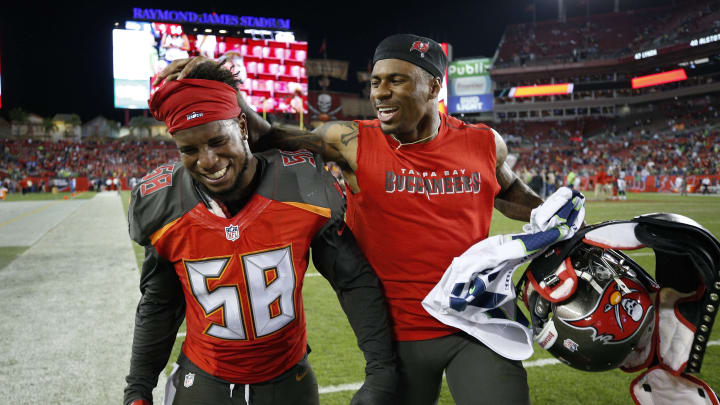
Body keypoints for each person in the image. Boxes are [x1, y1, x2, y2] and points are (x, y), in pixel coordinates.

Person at [158, 34, 543, 405]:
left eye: (396, 80)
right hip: (398, 335)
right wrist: (219, 84)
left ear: (433, 87)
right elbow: (267, 136)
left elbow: (509, 192)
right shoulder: (352, 140)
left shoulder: (483, 141)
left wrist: (552, 214)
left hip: (476, 322)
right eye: (376, 82)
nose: (380, 92)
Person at [124, 62, 396, 405]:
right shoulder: (165, 206)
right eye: (189, 150)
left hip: (287, 380)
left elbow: (352, 280)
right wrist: (138, 388)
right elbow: (160, 305)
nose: (207, 161)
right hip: (204, 380)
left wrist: (380, 370)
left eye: (217, 141)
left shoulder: (301, 186)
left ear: (242, 125)